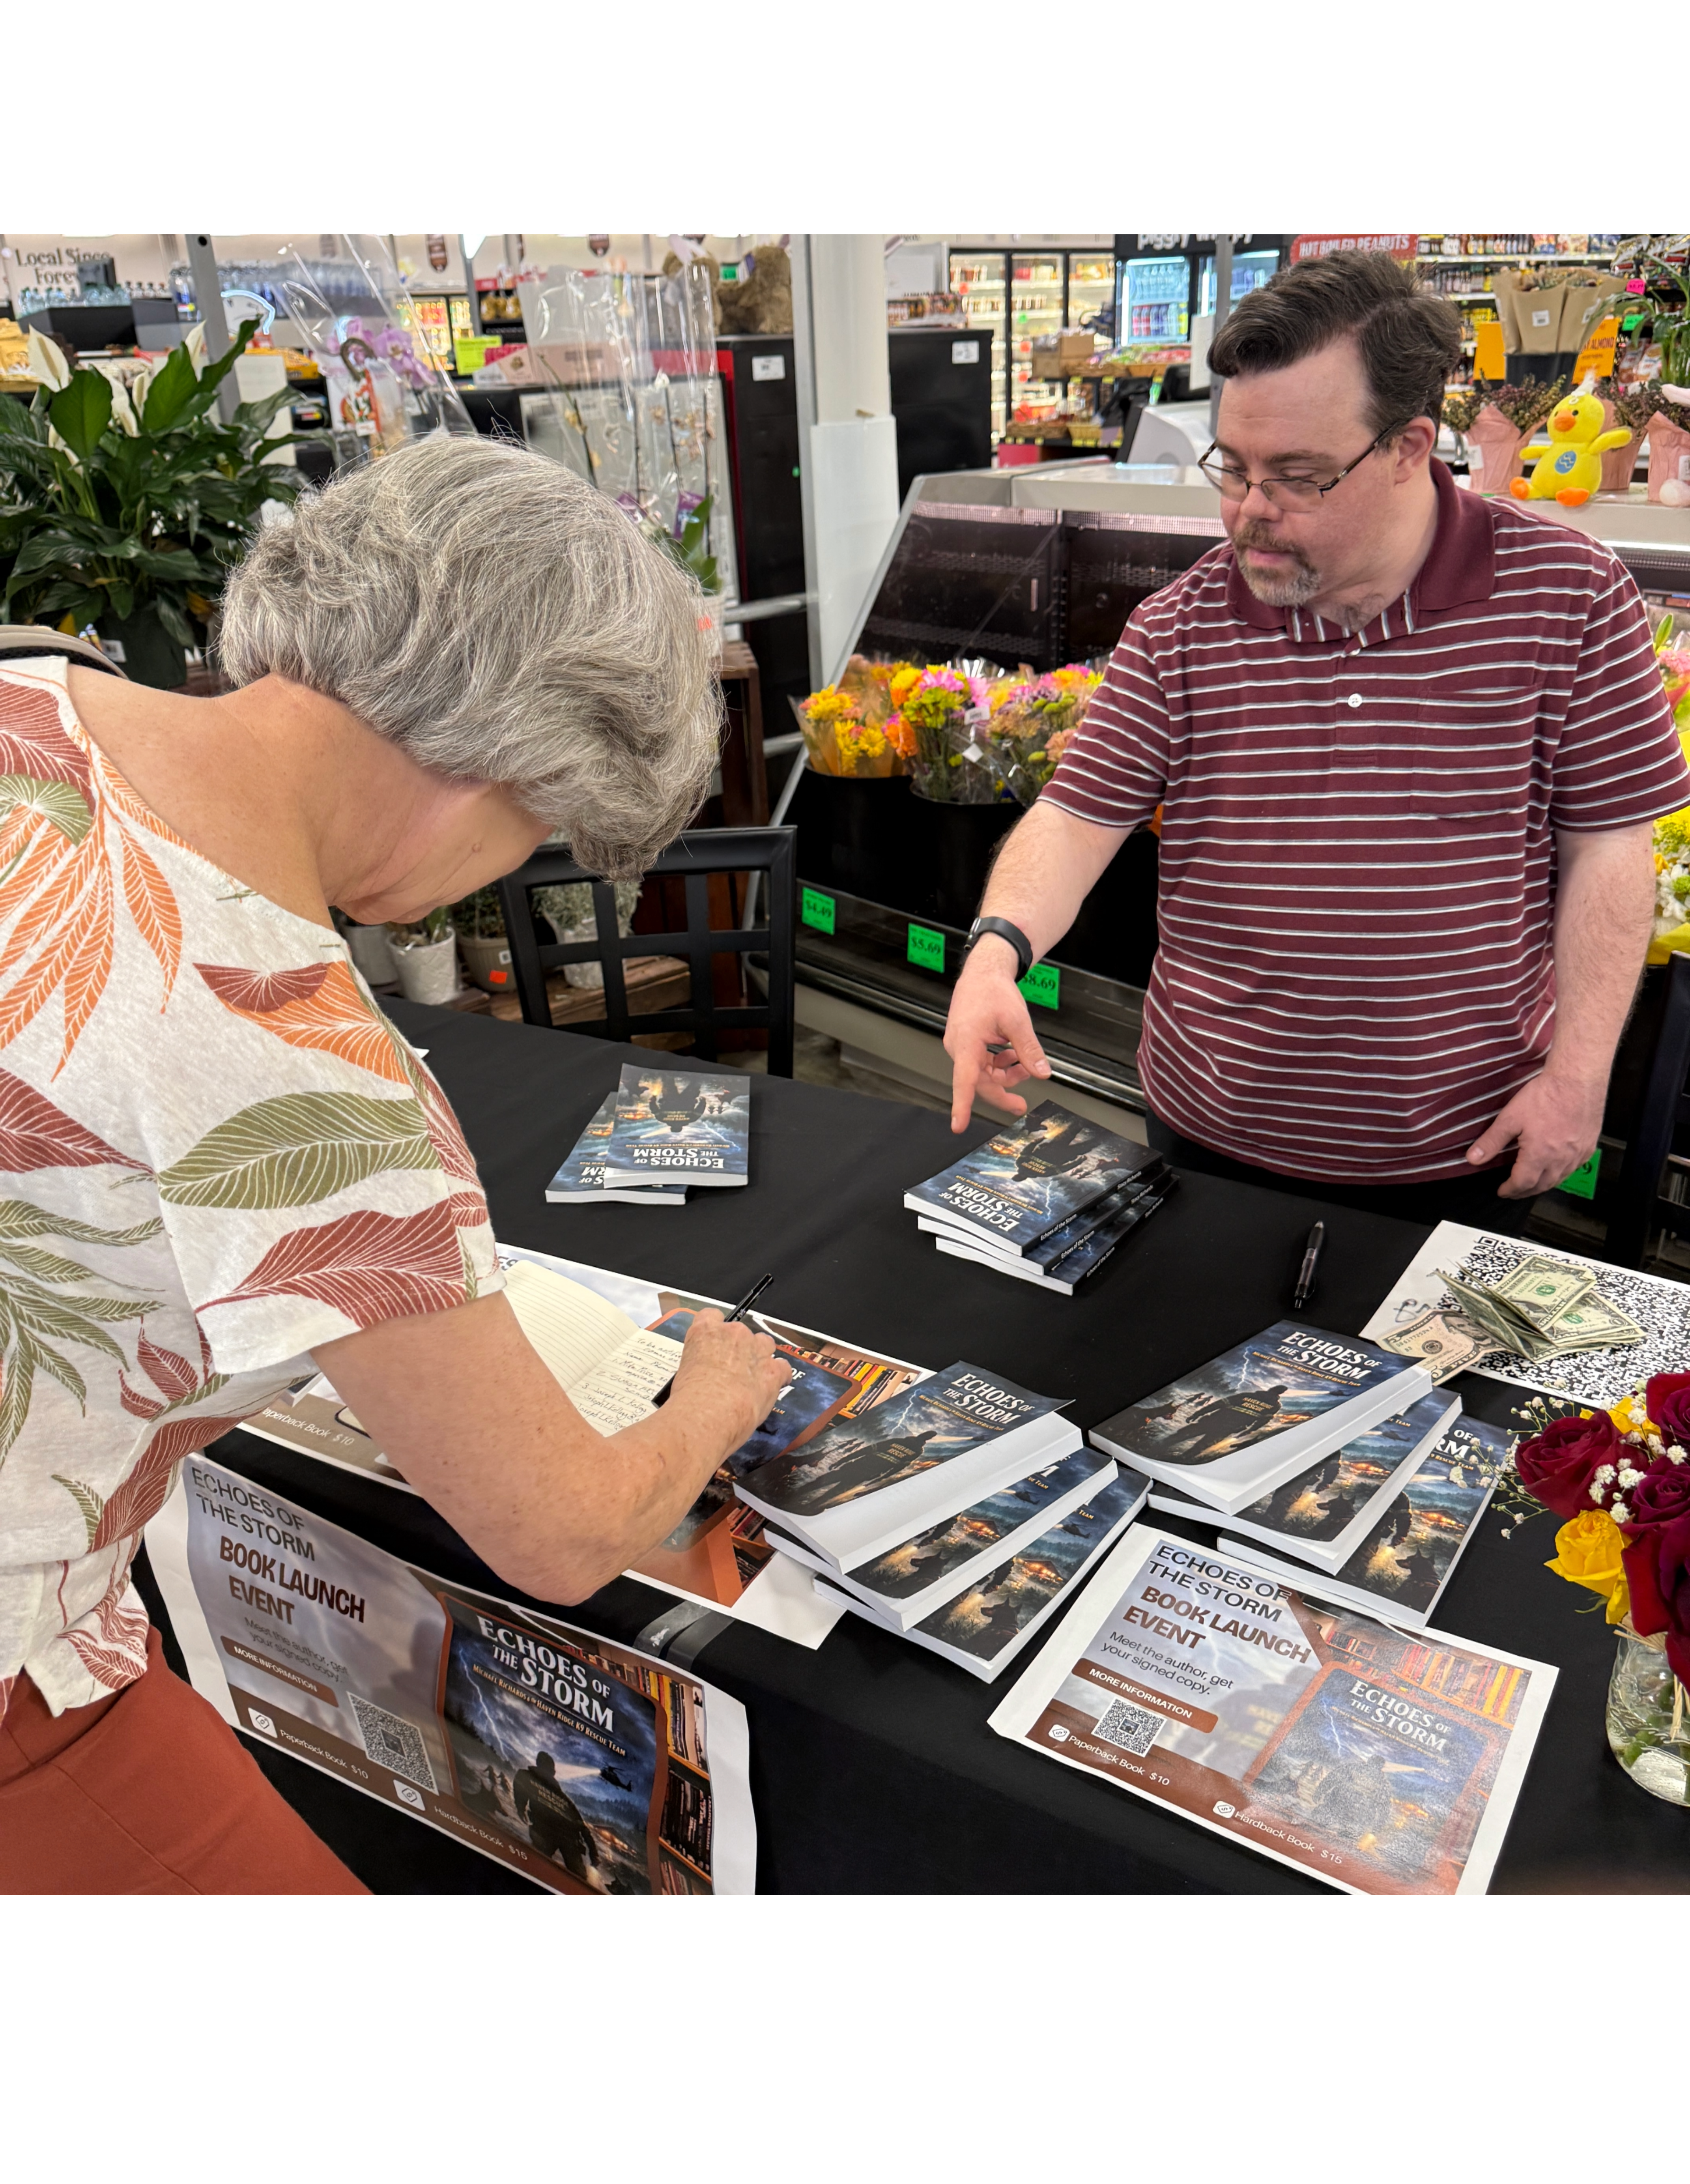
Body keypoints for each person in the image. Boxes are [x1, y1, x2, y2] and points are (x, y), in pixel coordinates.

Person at [0, 439, 787, 1894]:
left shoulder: (25, 689)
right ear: (513, 756)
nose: (499, 871)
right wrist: (715, 1402)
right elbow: (555, 1535)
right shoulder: (297, 1065)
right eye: (536, 829)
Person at [944, 251, 1690, 1229]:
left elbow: (1610, 849)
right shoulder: (1182, 623)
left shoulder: (1570, 597)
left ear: (1408, 447)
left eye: (1297, 477)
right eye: (1234, 468)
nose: (1251, 511)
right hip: (1203, 1141)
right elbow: (1078, 816)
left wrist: (1580, 1075)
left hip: (1462, 1156)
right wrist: (996, 952)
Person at [513, 1750, 600, 1879]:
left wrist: (521, 1809)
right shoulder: (566, 1800)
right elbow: (583, 1828)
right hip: (559, 1838)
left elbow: (582, 1827)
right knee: (578, 1877)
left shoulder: (526, 1776)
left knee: (536, 1865)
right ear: (553, 1772)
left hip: (553, 1836)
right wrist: (594, 1854)